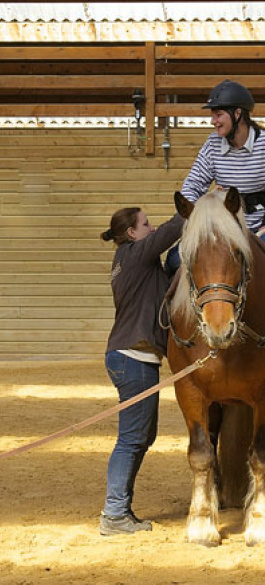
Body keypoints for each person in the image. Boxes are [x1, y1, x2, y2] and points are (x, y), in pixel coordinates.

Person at [99, 206, 184, 536]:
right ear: (132, 233)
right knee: (131, 439)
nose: (151, 228)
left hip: (130, 357)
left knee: (141, 437)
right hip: (133, 358)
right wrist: (196, 203)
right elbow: (170, 230)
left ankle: (121, 510)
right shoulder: (134, 253)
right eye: (145, 224)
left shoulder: (131, 261)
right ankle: (114, 513)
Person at [166, 79, 265, 273]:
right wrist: (199, 215)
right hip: (222, 230)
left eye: (218, 115)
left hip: (260, 229)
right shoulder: (212, 144)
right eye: (213, 115)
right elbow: (192, 186)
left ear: (237, 114)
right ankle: (166, 304)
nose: (213, 121)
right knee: (174, 260)